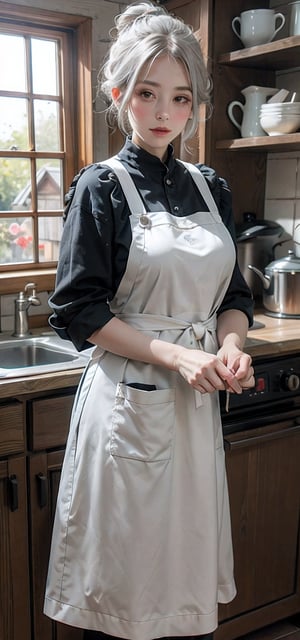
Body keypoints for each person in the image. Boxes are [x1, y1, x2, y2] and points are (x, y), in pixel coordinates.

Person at [44, 3, 255, 640]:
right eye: (147, 94)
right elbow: (78, 313)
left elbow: (232, 293)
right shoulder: (101, 189)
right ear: (119, 96)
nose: (165, 113)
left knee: (181, 576)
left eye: (181, 98)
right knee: (126, 580)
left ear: (195, 105)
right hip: (130, 405)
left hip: (193, 411)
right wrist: (179, 357)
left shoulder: (210, 186)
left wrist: (232, 346)